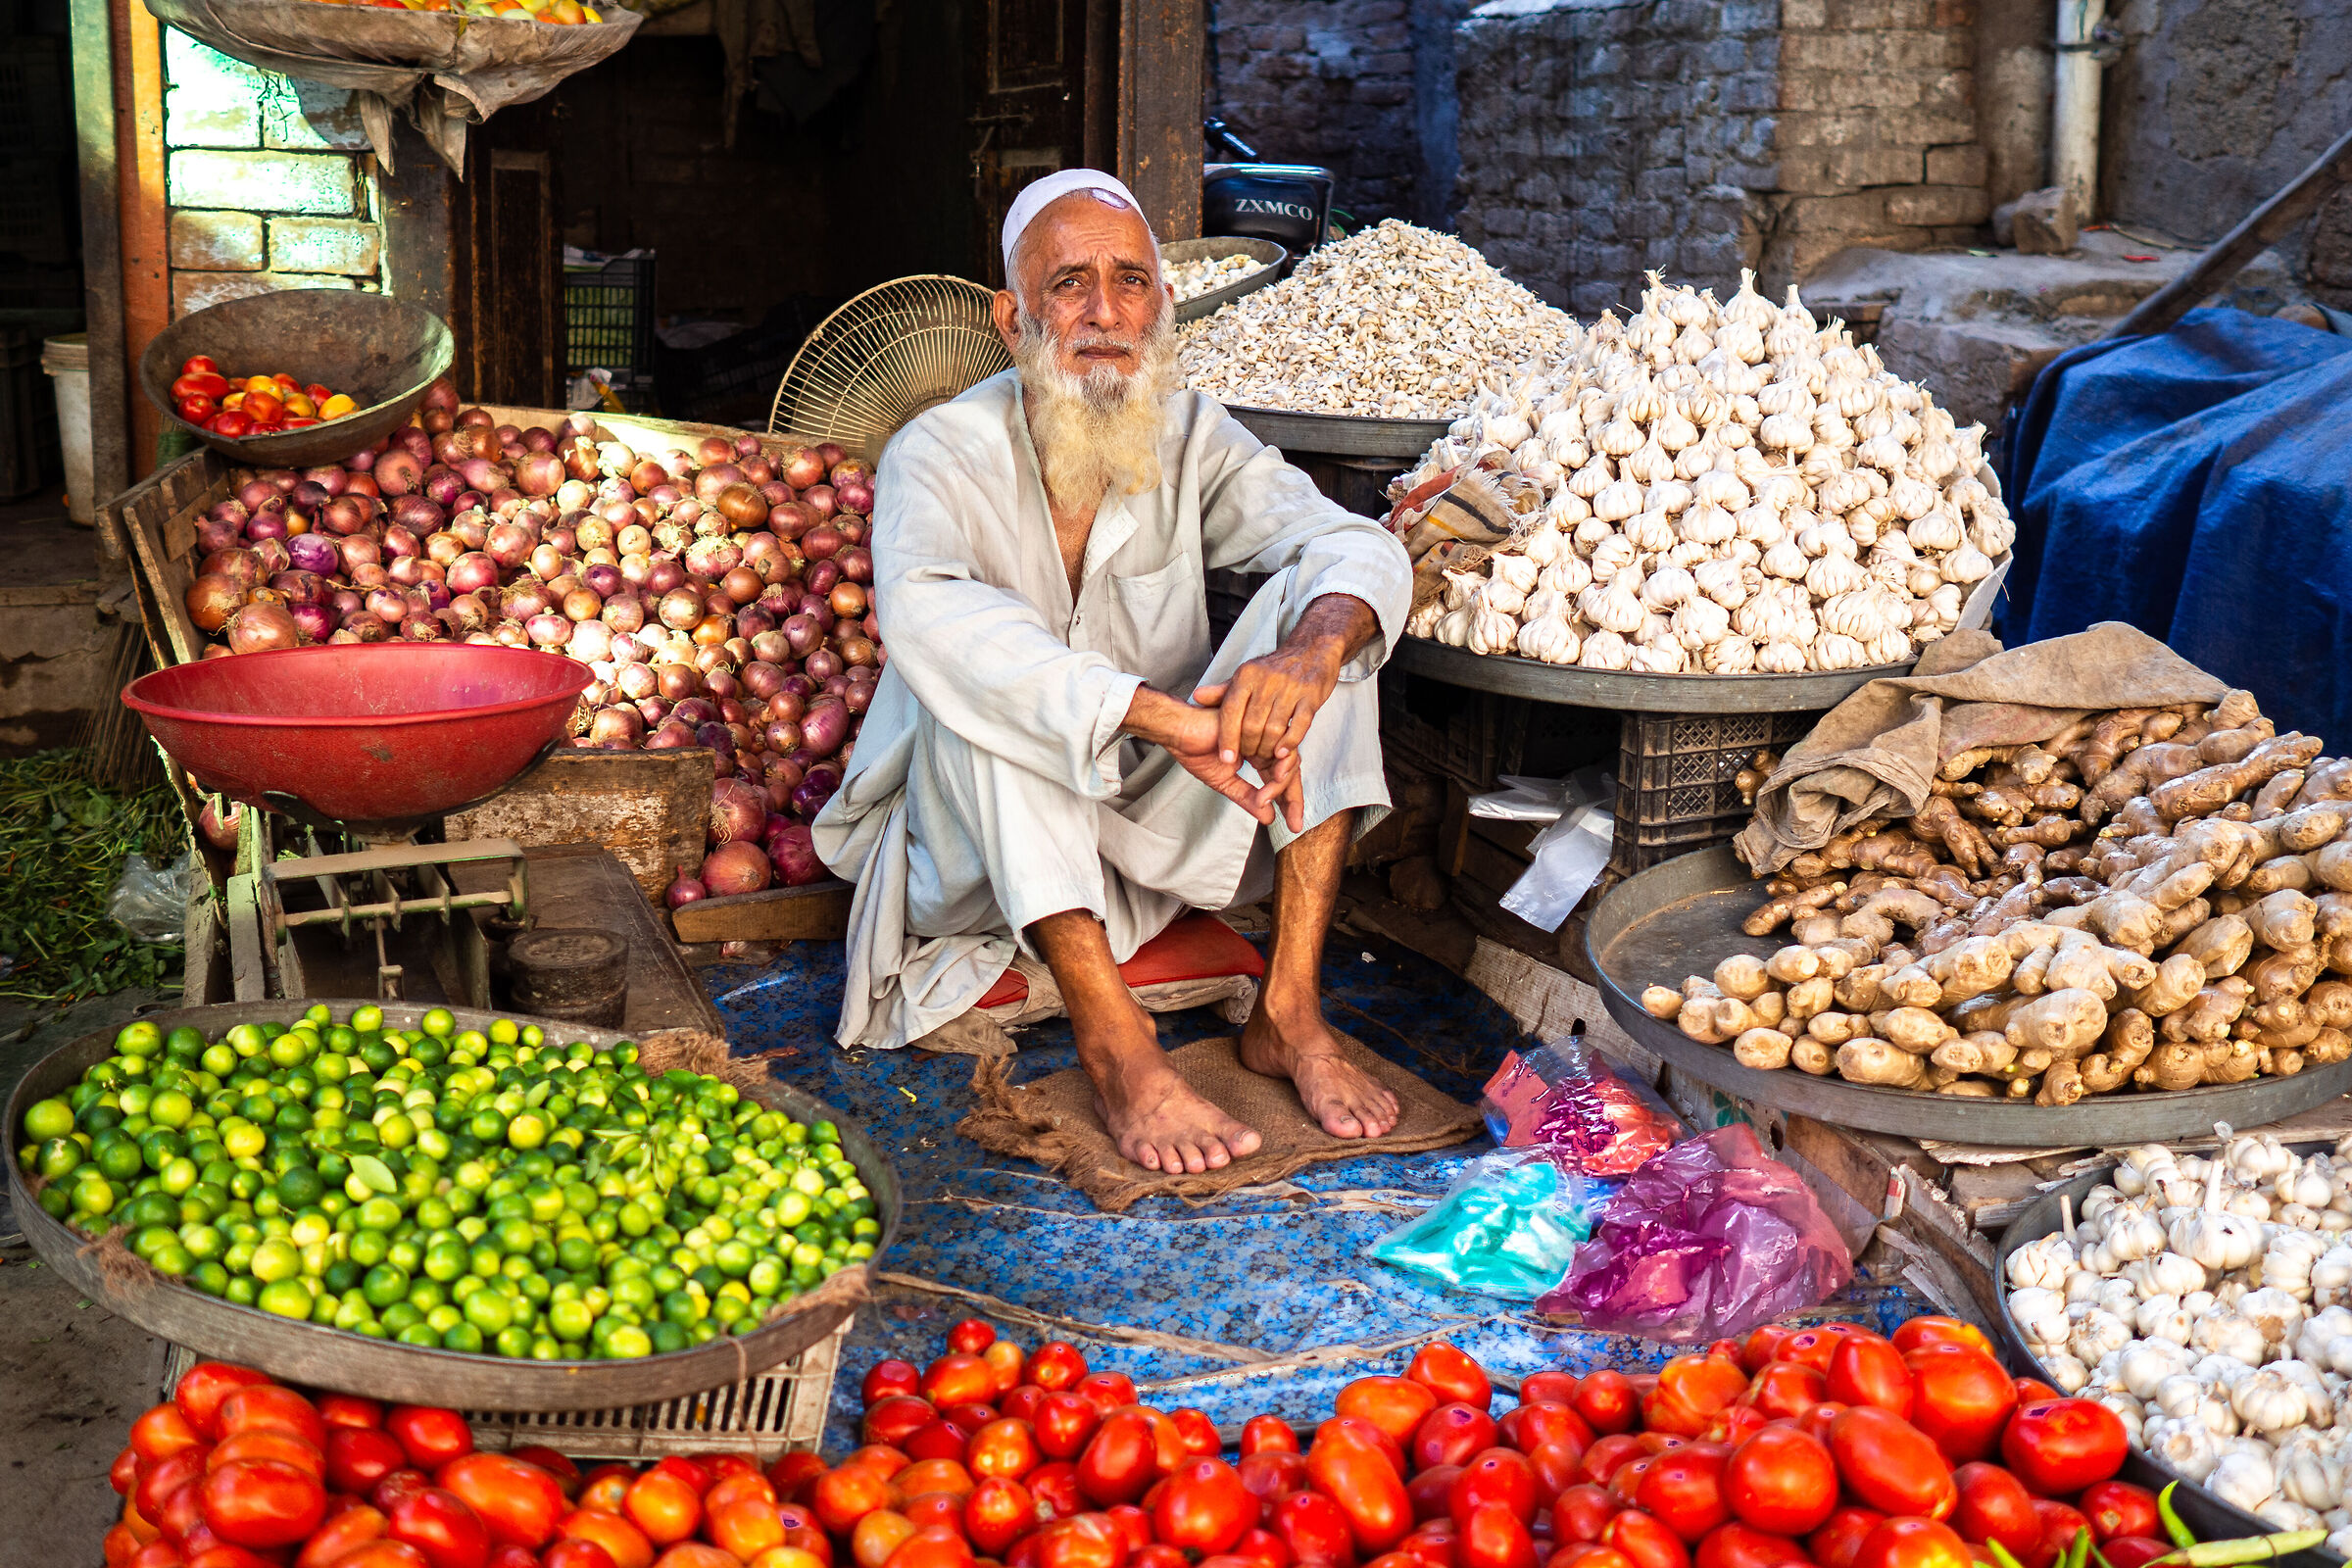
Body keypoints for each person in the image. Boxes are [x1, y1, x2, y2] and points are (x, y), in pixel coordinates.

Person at [812, 169, 1414, 1175]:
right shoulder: (938, 451)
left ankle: (1291, 1011)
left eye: (1132, 282)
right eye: (1070, 285)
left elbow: (1350, 543)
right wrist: (1168, 721)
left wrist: (1311, 650)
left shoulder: (1192, 435)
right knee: (990, 681)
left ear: (1163, 306)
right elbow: (937, 619)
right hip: (975, 855)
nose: (1105, 313)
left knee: (1332, 633)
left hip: (1148, 830)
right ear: (1012, 317)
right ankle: (1119, 1045)